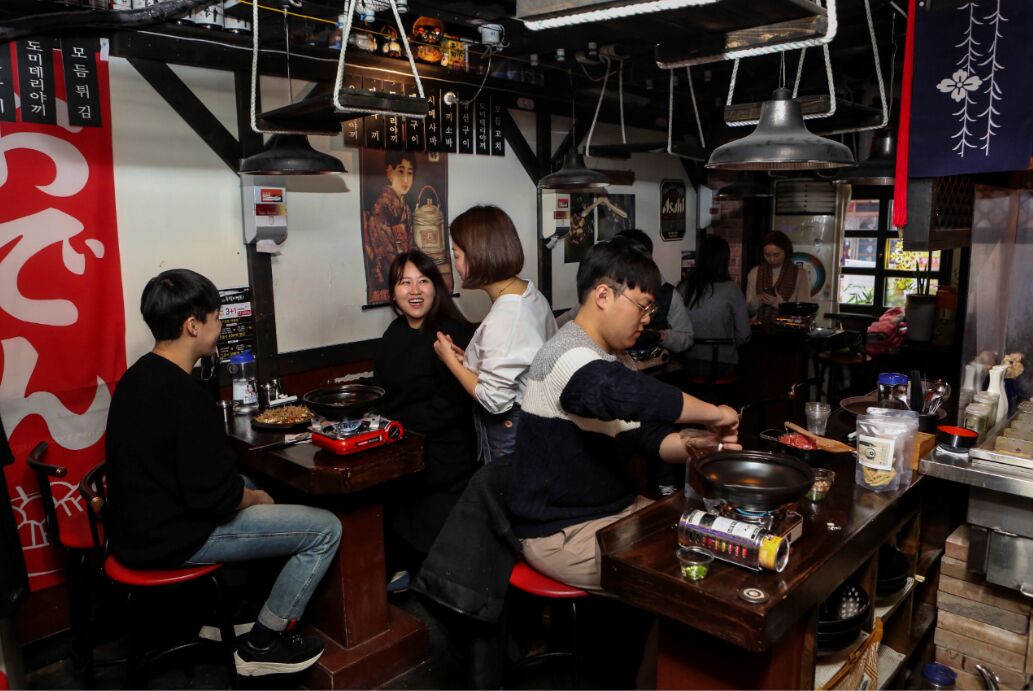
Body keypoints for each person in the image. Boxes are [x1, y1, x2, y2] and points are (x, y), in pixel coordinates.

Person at [105, 269, 342, 677]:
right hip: (170, 539)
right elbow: (217, 498)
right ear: (192, 325)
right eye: (216, 318)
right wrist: (256, 499)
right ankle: (264, 641)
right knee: (325, 528)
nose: (220, 326)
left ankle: (242, 612)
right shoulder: (185, 397)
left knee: (252, 483)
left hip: (134, 531)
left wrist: (249, 492)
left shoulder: (136, 377)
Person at [505, 238, 740, 593]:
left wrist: (701, 442)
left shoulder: (612, 357)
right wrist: (714, 413)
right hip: (563, 532)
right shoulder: (565, 354)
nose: (647, 319)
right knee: (690, 575)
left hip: (615, 512)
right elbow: (624, 393)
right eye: (642, 307)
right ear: (603, 296)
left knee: (714, 544)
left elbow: (647, 436)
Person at [374, 250, 478, 592]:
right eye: (405, 282)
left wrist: (401, 430)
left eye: (423, 281)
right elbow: (383, 392)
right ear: (393, 293)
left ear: (437, 287)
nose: (415, 290)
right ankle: (399, 571)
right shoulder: (393, 334)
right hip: (400, 444)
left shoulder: (451, 333)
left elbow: (451, 404)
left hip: (444, 451)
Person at [434, 205, 557, 464]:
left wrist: (450, 362)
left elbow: (495, 400)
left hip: (513, 429)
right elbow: (515, 361)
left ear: (477, 255)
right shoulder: (527, 292)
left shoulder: (507, 316)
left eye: (457, 255)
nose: (455, 264)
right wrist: (468, 360)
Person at [556, 229, 694, 355]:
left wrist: (661, 336)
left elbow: (687, 338)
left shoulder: (669, 294)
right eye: (641, 307)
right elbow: (566, 320)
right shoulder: (607, 290)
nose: (646, 319)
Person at [678, 235, 752, 379]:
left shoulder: (684, 287)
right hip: (722, 363)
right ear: (724, 261)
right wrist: (727, 345)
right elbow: (744, 334)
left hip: (687, 361)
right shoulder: (732, 289)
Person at [363, 151, 416, 304]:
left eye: (410, 173)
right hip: (389, 277)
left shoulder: (405, 208)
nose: (405, 179)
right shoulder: (381, 207)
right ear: (389, 173)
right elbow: (386, 253)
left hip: (407, 274)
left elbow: (411, 244)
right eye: (400, 171)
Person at [745, 230, 811, 321]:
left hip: (788, 327)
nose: (772, 259)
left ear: (786, 252)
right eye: (767, 255)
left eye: (776, 255)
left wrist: (778, 303)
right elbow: (748, 310)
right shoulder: (754, 272)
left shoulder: (799, 274)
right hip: (759, 327)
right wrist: (757, 300)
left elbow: (804, 311)